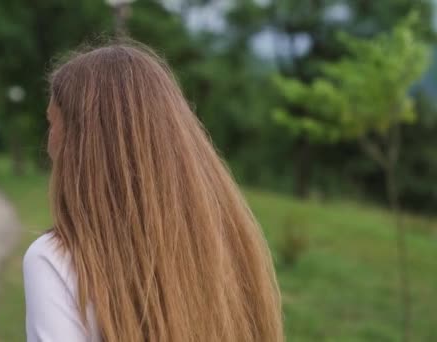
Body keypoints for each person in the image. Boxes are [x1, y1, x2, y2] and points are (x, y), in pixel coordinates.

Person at [23, 42, 283, 342]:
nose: (49, 144)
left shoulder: (55, 261)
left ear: (82, 144)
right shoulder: (226, 238)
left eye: (52, 124)